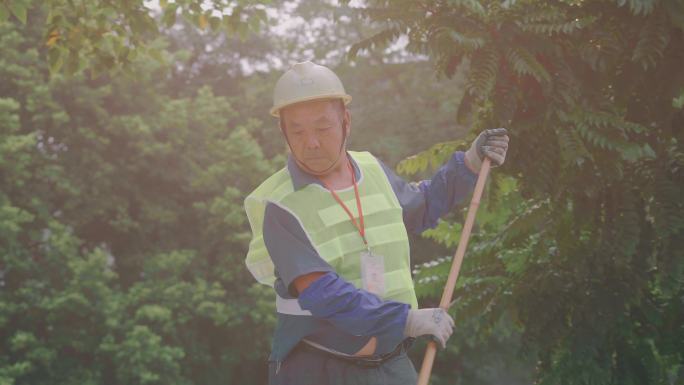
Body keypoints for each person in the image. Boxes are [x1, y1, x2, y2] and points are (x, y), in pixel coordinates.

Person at [243, 61, 509, 385]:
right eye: (297, 131)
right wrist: (407, 320)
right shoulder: (281, 206)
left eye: (323, 128)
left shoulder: (371, 169)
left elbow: (420, 206)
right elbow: (323, 293)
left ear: (346, 121)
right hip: (319, 371)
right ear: (283, 132)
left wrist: (468, 163)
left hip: (391, 367)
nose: (310, 142)